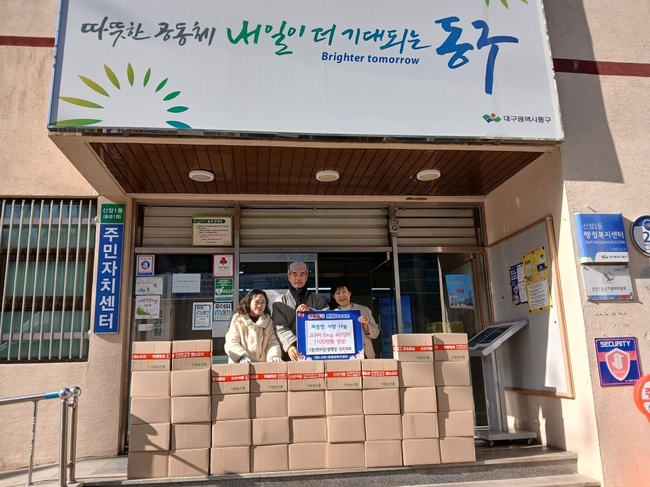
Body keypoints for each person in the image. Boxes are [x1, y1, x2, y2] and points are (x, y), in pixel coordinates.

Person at [272, 261, 328, 361]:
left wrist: (311, 313)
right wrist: (290, 346)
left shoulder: (318, 300)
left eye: (302, 274)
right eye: (294, 274)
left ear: (306, 277)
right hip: (290, 354)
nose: (298, 278)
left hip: (315, 350)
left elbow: (327, 320)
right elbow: (279, 327)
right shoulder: (279, 302)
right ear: (288, 277)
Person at [224, 289, 283, 363]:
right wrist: (241, 356)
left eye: (263, 302)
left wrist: (273, 356)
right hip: (241, 366)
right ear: (249, 303)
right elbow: (231, 341)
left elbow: (273, 342)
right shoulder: (238, 320)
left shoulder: (268, 321)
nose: (260, 305)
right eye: (256, 302)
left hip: (262, 367)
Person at [330, 279, 380, 359]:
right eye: (338, 293)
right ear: (333, 296)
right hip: (342, 356)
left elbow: (375, 333)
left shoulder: (364, 310)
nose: (341, 295)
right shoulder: (331, 315)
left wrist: (366, 327)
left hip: (364, 355)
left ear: (350, 293)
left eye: (344, 292)